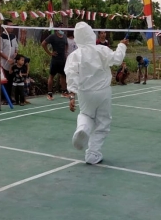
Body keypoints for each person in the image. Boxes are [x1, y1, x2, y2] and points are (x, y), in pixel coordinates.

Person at [64, 22, 128, 164]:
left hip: (85, 93)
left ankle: (82, 128)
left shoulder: (74, 56)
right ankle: (93, 153)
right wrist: (122, 45)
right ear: (91, 34)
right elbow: (117, 59)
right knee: (102, 123)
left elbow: (71, 75)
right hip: (103, 92)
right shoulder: (102, 50)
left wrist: (72, 95)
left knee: (85, 115)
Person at [41, 23, 69, 100]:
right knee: (51, 76)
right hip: (55, 60)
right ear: (57, 29)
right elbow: (43, 44)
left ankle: (64, 92)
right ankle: (49, 94)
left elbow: (66, 45)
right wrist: (50, 53)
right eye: (60, 27)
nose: (62, 29)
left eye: (63, 27)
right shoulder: (52, 36)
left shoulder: (64, 36)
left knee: (63, 75)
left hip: (62, 60)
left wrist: (65, 53)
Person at [0, 19, 19, 104]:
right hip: (4, 63)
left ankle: (10, 97)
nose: (12, 27)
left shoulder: (13, 36)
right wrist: (7, 58)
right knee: (4, 81)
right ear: (5, 26)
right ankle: (3, 99)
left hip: (12, 63)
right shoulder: (0, 37)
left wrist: (15, 53)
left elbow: (16, 48)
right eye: (10, 25)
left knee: (11, 81)